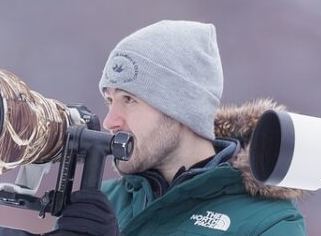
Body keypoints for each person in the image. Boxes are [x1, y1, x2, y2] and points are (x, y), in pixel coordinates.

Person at [50, 20, 306, 236]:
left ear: (181, 108)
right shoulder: (99, 201)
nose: (110, 121)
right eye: (110, 100)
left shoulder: (270, 223)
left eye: (129, 99)